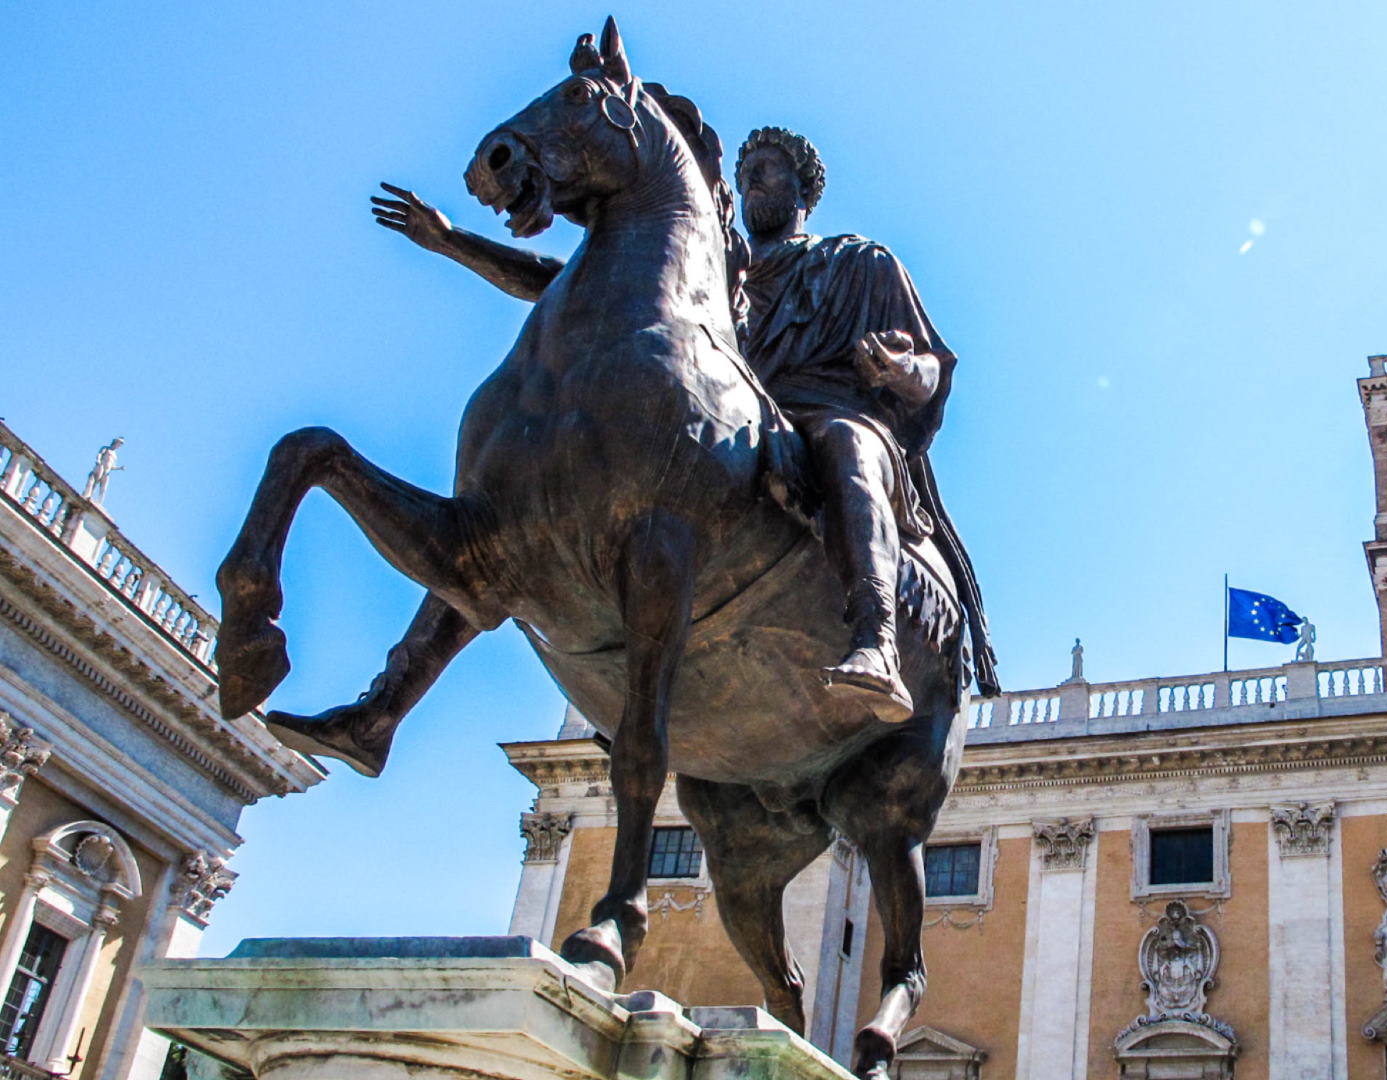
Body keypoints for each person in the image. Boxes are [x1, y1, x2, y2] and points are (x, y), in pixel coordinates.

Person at [363, 129, 995, 725]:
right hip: (736, 419)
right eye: (744, 176)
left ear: (804, 188)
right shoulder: (713, 270)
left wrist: (897, 366)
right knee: (526, 491)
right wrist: (451, 242)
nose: (750, 187)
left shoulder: (859, 262)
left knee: (849, 446)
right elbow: (560, 280)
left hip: (823, 412)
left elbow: (932, 370)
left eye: (765, 171)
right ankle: (389, 701)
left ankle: (876, 638)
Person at [82, 437, 123, 504]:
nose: (118, 445)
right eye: (118, 443)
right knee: (94, 482)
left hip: (107, 472)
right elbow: (100, 454)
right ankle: (88, 494)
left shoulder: (115, 455)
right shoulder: (106, 449)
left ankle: (99, 502)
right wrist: (98, 461)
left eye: (120, 444)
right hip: (101, 467)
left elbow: (112, 466)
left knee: (103, 489)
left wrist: (119, 468)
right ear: (115, 442)